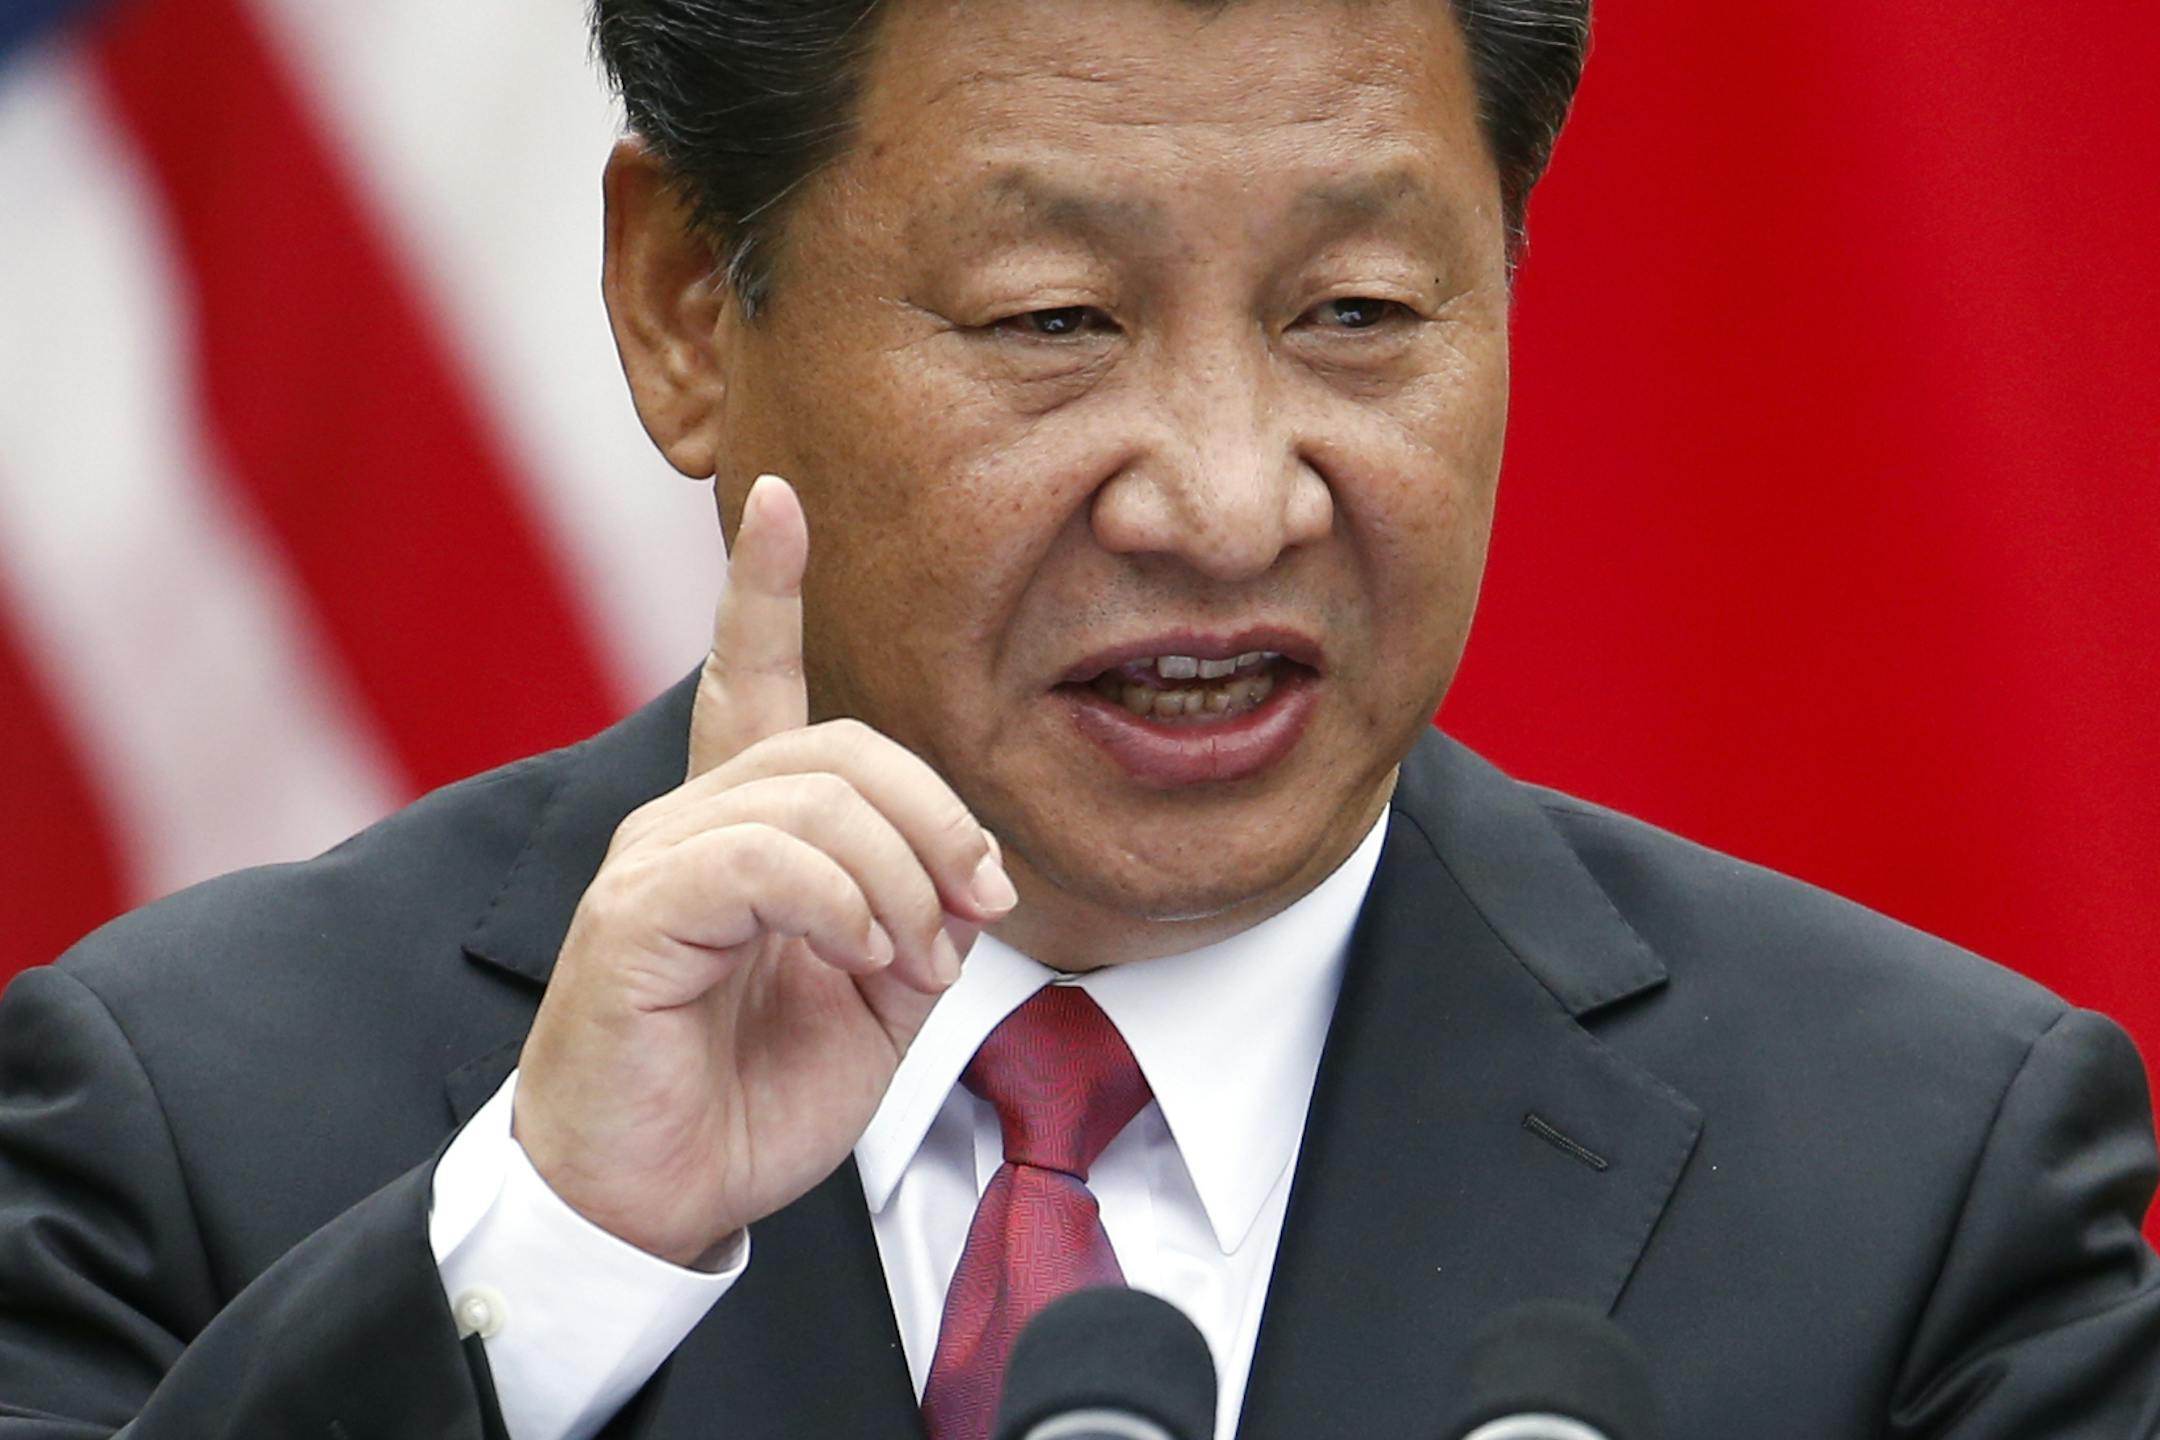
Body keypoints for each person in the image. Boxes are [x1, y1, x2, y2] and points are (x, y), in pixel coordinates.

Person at [2, 0, 2156, 1437]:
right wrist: (556, 1262)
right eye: (1054, 319)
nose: (1229, 498)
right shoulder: (191, 1132)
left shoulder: (1923, 1193)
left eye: (1360, 316)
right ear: (682, 306)